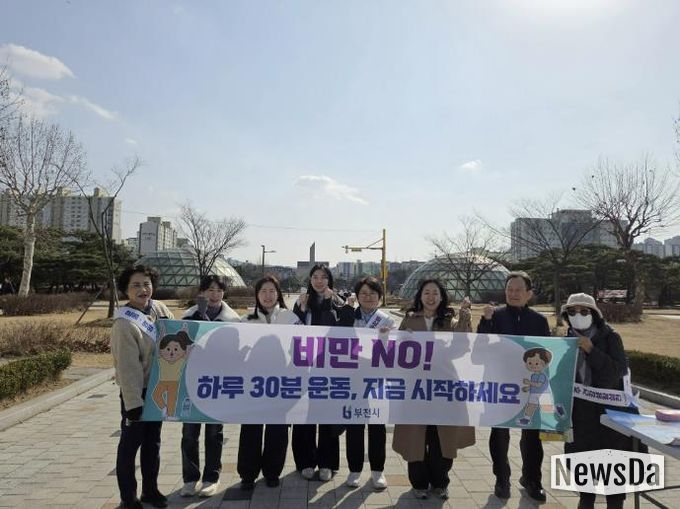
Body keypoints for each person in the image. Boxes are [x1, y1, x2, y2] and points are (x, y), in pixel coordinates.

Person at [392, 279, 475, 500]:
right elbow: (397, 350)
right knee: (416, 437)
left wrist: (465, 317)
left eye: (435, 293)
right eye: (426, 292)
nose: (430, 297)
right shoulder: (410, 320)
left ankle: (440, 482)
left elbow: (462, 347)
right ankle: (419, 483)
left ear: (441, 297)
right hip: (416, 389)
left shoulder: (450, 321)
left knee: (442, 438)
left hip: (443, 388)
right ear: (420, 296)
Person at [476, 271, 550, 502]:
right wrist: (486, 321)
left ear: (529, 294)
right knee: (499, 434)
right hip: (500, 386)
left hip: (531, 387)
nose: (513, 294)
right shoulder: (495, 316)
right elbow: (480, 349)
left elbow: (548, 355)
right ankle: (502, 478)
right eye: (509, 289)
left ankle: (532, 479)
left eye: (518, 290)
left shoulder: (539, 321)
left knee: (533, 434)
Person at [561, 292, 635, 509]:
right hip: (580, 416)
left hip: (608, 415)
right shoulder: (566, 340)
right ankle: (586, 500)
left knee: (613, 472)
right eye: (572, 311)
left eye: (584, 311)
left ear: (594, 314)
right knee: (584, 471)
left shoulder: (611, 337)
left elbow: (616, 373)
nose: (578, 315)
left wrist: (591, 350)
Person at [110, 265, 173, 509]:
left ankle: (150, 490)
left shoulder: (159, 309)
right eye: (135, 285)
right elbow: (128, 368)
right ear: (126, 290)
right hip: (137, 393)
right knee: (130, 445)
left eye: (146, 284)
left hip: (158, 389)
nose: (142, 289)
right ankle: (128, 498)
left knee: (152, 443)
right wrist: (134, 404)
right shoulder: (124, 324)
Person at [237, 275, 301, 489]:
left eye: (272, 291)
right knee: (251, 430)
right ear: (257, 294)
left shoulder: (290, 318)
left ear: (278, 294)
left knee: (278, 430)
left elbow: (303, 348)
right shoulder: (246, 320)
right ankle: (248, 474)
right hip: (253, 386)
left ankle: (272, 472)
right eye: (263, 291)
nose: (267, 295)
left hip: (281, 385)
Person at [180, 275, 240, 498]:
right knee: (189, 433)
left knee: (215, 433)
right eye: (210, 290)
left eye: (219, 290)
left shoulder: (233, 321)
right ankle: (190, 479)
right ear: (202, 292)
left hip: (218, 385)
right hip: (192, 383)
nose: (215, 295)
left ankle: (211, 478)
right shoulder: (188, 317)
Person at [337, 276, 394, 490]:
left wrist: (387, 339)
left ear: (379, 297)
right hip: (353, 378)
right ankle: (354, 470)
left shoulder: (387, 321)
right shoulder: (350, 317)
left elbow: (395, 353)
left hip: (378, 380)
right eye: (363, 293)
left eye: (372, 293)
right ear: (357, 296)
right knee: (355, 425)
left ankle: (378, 471)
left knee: (377, 426)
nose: (368, 297)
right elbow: (339, 342)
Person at [292, 264, 344, 481]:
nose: (319, 281)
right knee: (304, 415)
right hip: (305, 366)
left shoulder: (339, 302)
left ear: (329, 280)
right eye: (315, 276)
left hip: (330, 368)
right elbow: (292, 330)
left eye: (323, 277)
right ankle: (305, 461)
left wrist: (330, 303)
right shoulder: (301, 301)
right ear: (310, 280)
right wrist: (301, 310)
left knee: (327, 416)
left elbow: (335, 329)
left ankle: (327, 462)